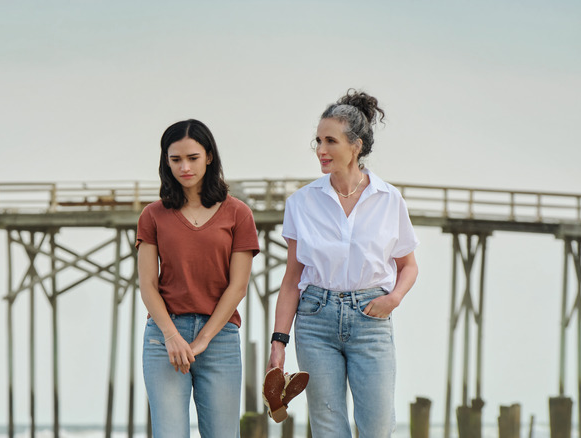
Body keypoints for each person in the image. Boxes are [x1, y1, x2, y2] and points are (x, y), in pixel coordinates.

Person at [266, 90, 420, 437]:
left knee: (378, 428)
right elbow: (293, 279)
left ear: (357, 146)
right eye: (318, 141)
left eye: (330, 141)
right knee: (328, 427)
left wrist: (393, 299)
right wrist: (279, 343)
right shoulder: (302, 203)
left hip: (371, 318)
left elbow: (408, 266)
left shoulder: (389, 199)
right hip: (316, 319)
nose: (321, 149)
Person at [137, 119, 259, 438]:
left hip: (219, 338)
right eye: (175, 159)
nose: (184, 167)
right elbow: (147, 284)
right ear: (166, 161)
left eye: (192, 157)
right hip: (164, 337)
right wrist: (171, 335)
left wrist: (203, 338)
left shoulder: (238, 213)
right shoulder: (152, 215)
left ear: (208, 157)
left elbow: (238, 285)